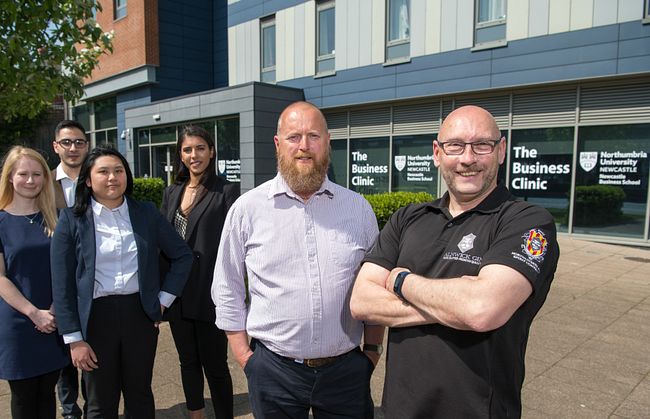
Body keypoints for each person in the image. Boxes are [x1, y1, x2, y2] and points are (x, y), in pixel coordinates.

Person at [350, 105, 560, 418]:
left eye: (482, 145)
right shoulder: (408, 218)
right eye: (455, 146)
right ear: (437, 153)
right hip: (400, 410)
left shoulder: (525, 221)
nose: (467, 158)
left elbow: (481, 310)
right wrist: (456, 302)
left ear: (501, 151)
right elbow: (362, 302)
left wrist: (401, 282)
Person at [211, 101, 384, 418]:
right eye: (294, 137)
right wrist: (244, 356)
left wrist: (371, 351)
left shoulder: (358, 209)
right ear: (278, 144)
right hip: (274, 372)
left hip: (346, 372)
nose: (304, 147)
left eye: (313, 136)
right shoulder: (247, 210)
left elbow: (376, 285)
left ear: (328, 142)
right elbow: (227, 285)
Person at [50, 146, 192, 419]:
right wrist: (74, 339)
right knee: (100, 402)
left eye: (118, 171)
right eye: (103, 171)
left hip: (139, 315)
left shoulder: (146, 213)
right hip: (95, 318)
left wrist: (162, 301)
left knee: (140, 395)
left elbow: (182, 256)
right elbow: (62, 284)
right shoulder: (71, 220)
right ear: (88, 180)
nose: (112, 177)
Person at [0, 146, 69, 419]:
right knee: (24, 398)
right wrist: (34, 313)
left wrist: (54, 309)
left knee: (47, 395)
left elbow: (67, 267)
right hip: (18, 325)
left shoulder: (56, 219)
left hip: (53, 321)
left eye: (37, 174)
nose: (31, 180)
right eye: (23, 174)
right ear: (10, 178)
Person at [160, 125, 238, 419]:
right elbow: (162, 243)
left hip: (209, 293)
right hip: (177, 294)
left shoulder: (226, 191)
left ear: (211, 151)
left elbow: (234, 244)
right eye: (187, 149)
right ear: (181, 154)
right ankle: (195, 413)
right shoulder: (171, 192)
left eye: (200, 148)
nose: (194, 155)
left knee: (215, 365)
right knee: (187, 361)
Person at [51, 119, 89, 419]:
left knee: (91, 346)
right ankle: (68, 409)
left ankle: (94, 404)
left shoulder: (98, 179)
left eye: (78, 142)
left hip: (92, 279)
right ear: (56, 146)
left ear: (86, 146)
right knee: (66, 349)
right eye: (67, 142)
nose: (73, 148)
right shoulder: (44, 183)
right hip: (60, 277)